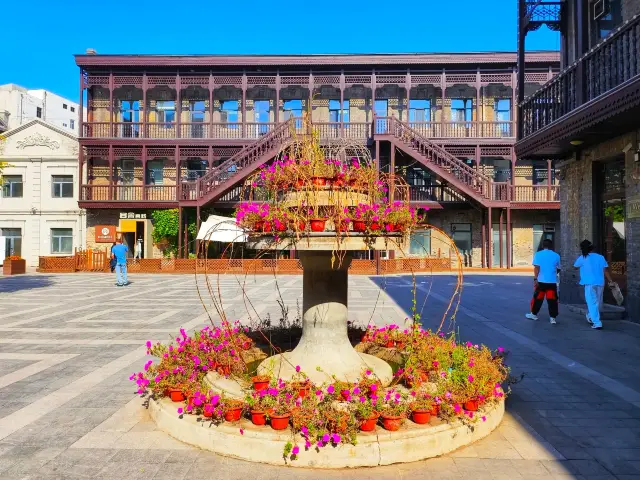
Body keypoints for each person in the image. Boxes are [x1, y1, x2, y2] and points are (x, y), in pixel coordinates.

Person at [573, 239, 613, 330]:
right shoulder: (600, 257)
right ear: (592, 248)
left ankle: (597, 322)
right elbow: (605, 271)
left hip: (589, 283)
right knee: (598, 302)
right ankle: (591, 316)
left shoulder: (582, 257)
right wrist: (610, 281)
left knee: (592, 303)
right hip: (600, 282)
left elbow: (575, 267)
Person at [526, 238, 561, 324]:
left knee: (538, 299)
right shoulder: (556, 255)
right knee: (552, 300)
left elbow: (537, 268)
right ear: (551, 246)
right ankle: (553, 318)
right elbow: (558, 268)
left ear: (542, 246)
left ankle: (533, 314)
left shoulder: (538, 254)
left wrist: (535, 278)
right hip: (552, 282)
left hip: (541, 281)